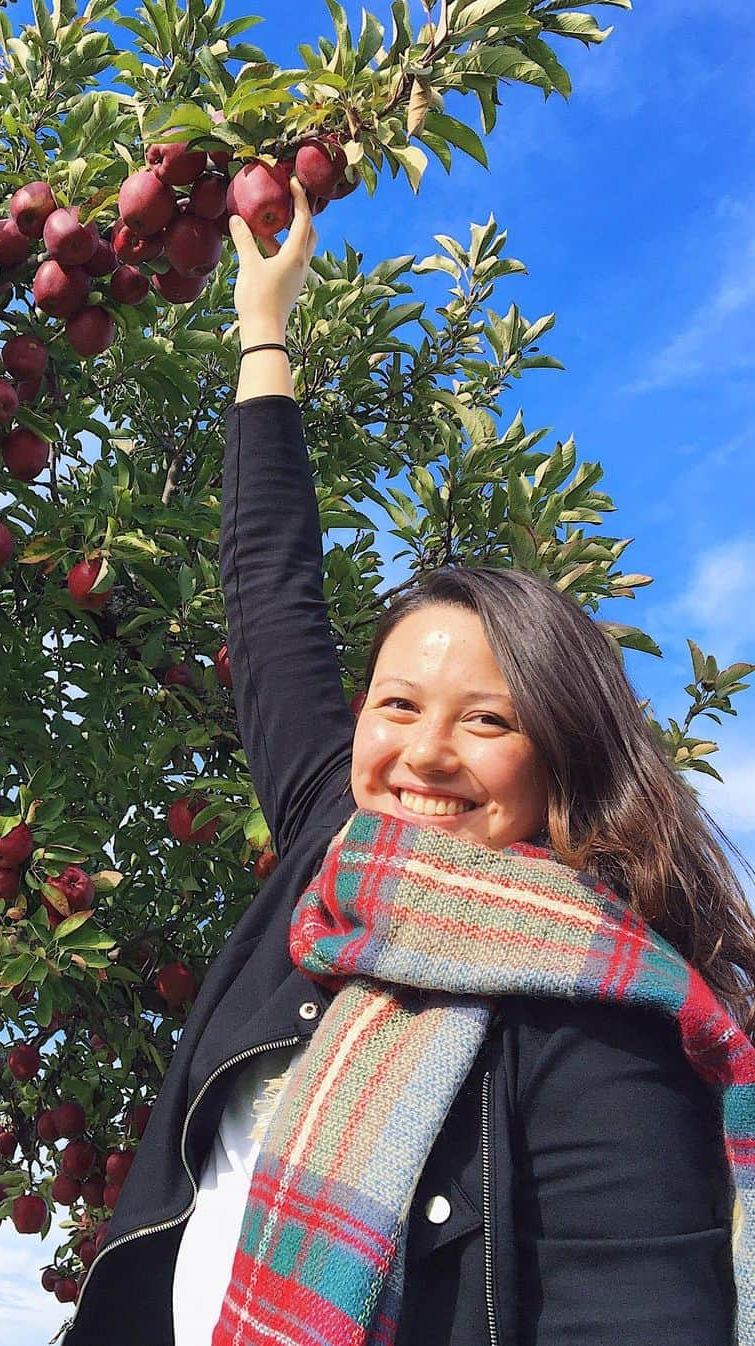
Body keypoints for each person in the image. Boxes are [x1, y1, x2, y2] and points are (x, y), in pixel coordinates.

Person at [62, 176, 752, 1346]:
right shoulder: (336, 846)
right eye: (396, 703)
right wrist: (263, 330)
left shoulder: (605, 1034)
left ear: (563, 758)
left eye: (488, 721)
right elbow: (273, 599)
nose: (422, 753)